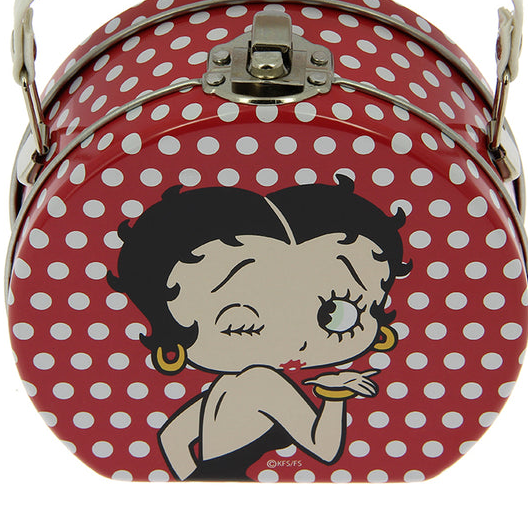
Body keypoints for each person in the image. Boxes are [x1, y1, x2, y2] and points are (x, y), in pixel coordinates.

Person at [107, 174, 412, 480]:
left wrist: (200, 484)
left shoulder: (230, 384)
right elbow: (324, 449)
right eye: (241, 324)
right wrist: (334, 395)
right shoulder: (261, 381)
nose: (296, 341)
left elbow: (172, 439)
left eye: (337, 314)